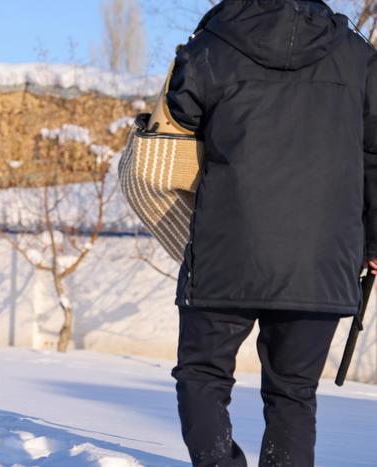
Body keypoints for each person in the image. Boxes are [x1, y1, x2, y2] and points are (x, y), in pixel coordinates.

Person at [166, 0, 377, 465]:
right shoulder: (356, 55)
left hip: (228, 249)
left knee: (201, 374)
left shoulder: (214, 44)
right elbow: (374, 155)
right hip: (321, 257)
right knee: (294, 394)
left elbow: (179, 114)